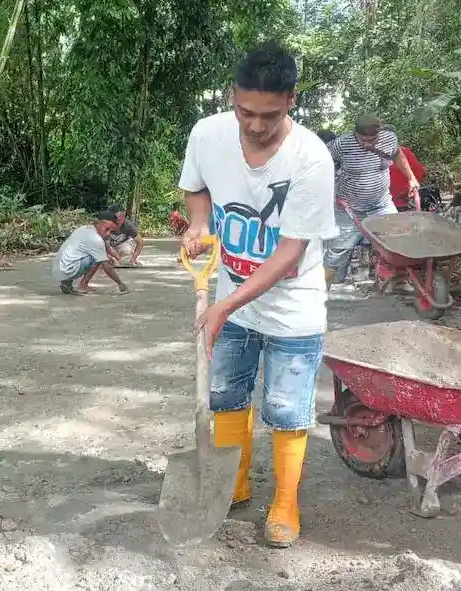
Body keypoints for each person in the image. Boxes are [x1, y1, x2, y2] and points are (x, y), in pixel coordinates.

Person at [179, 43, 336, 548]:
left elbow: (290, 252)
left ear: (291, 99)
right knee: (225, 395)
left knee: (287, 407)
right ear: (233, 98)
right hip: (230, 292)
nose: (255, 125)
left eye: (269, 115)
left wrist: (225, 304)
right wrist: (201, 223)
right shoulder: (207, 134)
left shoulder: (311, 157)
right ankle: (234, 483)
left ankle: (285, 501)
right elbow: (196, 187)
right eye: (245, 111)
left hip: (294, 306)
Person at [326, 116, 420, 280]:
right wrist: (330, 189)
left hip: (381, 203)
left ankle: (392, 279)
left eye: (372, 140)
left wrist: (411, 177)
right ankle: (327, 287)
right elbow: (322, 162)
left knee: (395, 241)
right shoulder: (342, 144)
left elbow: (397, 154)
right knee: (339, 251)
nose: (367, 144)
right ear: (355, 133)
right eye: (363, 140)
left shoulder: (388, 138)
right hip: (349, 208)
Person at [53, 212, 131, 294]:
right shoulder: (96, 239)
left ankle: (66, 282)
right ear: (98, 223)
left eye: (111, 231)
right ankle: (82, 286)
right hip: (68, 269)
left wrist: (118, 258)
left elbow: (106, 247)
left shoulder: (86, 228)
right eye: (107, 229)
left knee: (99, 256)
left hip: (60, 268)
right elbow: (106, 265)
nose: (108, 233)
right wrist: (120, 283)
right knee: (98, 259)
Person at [389, 144, 425, 211]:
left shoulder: (403, 152)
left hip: (389, 201)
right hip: (403, 200)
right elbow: (419, 171)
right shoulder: (405, 151)